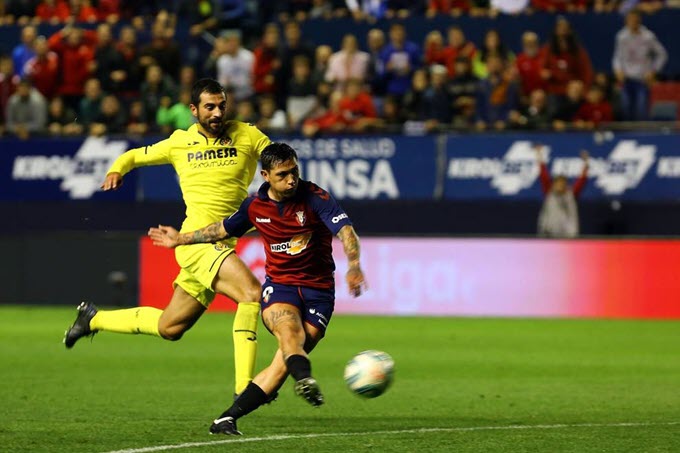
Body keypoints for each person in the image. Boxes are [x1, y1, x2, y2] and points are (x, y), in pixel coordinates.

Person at [63, 79, 271, 397]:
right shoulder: (179, 142)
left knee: (170, 328)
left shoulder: (247, 134)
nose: (217, 112)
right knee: (251, 293)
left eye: (221, 105)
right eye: (209, 107)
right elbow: (134, 156)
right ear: (193, 110)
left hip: (221, 243)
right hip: (194, 243)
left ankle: (93, 318)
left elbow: (277, 158)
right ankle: (245, 388)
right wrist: (116, 169)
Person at [148, 142, 367, 435]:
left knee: (280, 367)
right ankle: (305, 379)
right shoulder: (255, 206)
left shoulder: (315, 197)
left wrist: (353, 265)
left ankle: (225, 419)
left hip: (319, 292)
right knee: (291, 335)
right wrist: (181, 239)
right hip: (281, 288)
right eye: (283, 174)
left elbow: (345, 231)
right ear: (265, 175)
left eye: (294, 171)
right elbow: (221, 229)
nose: (292, 179)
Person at [612, 9, 667, 121]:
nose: (632, 22)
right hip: (626, 80)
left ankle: (642, 136)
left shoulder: (648, 37)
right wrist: (618, 70)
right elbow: (618, 57)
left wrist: (653, 71)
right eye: (629, 20)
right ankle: (626, 138)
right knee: (625, 110)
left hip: (642, 80)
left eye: (634, 19)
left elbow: (662, 54)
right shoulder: (621, 36)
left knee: (641, 111)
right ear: (626, 21)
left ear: (639, 20)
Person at [535, 146, 589, 238]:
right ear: (553, 184)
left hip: (568, 236)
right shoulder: (549, 192)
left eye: (562, 183)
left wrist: (586, 163)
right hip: (548, 234)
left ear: (566, 185)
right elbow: (543, 175)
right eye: (557, 183)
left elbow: (582, 180)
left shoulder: (571, 194)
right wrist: (539, 155)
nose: (559, 185)